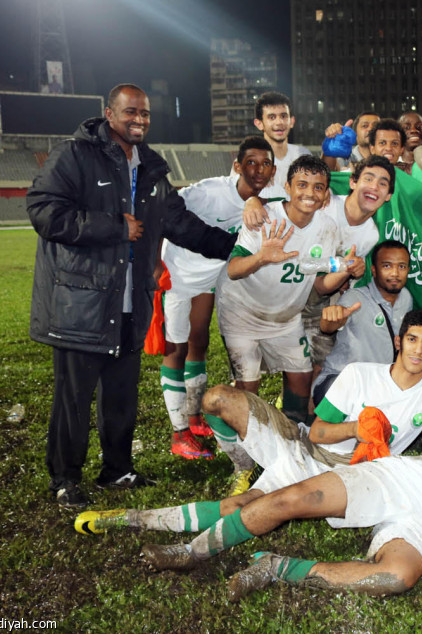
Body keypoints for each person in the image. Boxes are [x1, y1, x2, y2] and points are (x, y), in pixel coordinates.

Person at [137, 373, 422, 601]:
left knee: (396, 578)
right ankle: (190, 553)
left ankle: (280, 568)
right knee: (291, 500)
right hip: (403, 477)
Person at [27, 84, 238, 507]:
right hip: (81, 303)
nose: (139, 119)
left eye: (144, 113)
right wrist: (113, 226)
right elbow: (43, 210)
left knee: (121, 394)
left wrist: (243, 249)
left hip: (129, 302)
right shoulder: (75, 155)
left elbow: (184, 226)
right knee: (74, 397)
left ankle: (117, 469)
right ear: (109, 113)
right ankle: (65, 478)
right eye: (130, 112)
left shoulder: (153, 169)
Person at [75, 311, 422, 538]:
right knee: (217, 398)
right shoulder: (360, 374)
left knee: (239, 507)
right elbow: (318, 432)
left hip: (354, 476)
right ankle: (244, 461)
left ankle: (129, 519)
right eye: (412, 340)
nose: (418, 351)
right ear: (398, 342)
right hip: (307, 449)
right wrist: (357, 428)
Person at [216, 156, 362, 423]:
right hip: (242, 313)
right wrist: (262, 257)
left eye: (318, 187)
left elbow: (319, 284)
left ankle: (292, 437)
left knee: (301, 379)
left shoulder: (327, 228)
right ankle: (241, 453)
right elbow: (233, 269)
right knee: (248, 386)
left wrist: (344, 270)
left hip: (285, 318)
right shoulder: (265, 217)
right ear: (287, 187)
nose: (309, 193)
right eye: (302, 185)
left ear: (326, 193)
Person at [159, 136, 275, 461]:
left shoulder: (268, 199)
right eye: (250, 163)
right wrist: (155, 265)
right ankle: (179, 433)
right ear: (236, 166)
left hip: (209, 276)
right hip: (177, 275)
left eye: (265, 164)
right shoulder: (208, 191)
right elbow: (162, 212)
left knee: (199, 344)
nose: (258, 170)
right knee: (176, 349)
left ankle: (195, 419)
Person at [313, 240, 414, 405]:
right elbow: (328, 326)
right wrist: (331, 318)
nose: (395, 273)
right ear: (374, 270)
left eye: (401, 267)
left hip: (380, 386)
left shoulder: (406, 298)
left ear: (408, 270)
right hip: (340, 381)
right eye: (387, 266)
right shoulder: (355, 298)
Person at [251, 92, 312, 197]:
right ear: (259, 124)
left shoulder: (303, 155)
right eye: (272, 117)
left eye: (283, 116)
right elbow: (235, 199)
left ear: (292, 121)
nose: (279, 122)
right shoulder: (248, 160)